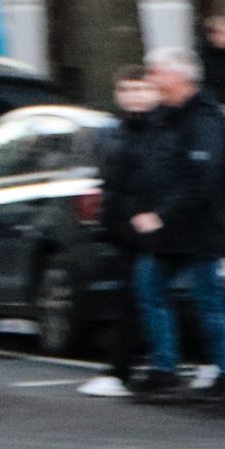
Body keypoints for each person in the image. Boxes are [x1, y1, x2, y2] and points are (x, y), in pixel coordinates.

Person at [129, 47, 225, 402]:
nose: (150, 79)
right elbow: (150, 165)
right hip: (169, 229)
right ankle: (165, 368)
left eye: (156, 72)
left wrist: (161, 213)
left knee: (208, 299)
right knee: (149, 288)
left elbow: (200, 178)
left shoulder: (205, 120)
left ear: (179, 78)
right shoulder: (164, 116)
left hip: (200, 227)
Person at [76, 65, 162, 398]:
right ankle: (131, 367)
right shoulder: (119, 131)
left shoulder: (157, 131)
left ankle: (123, 369)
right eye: (127, 89)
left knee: (141, 297)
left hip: (148, 227)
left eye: (140, 89)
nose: (133, 96)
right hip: (125, 229)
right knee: (136, 297)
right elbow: (112, 182)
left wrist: (152, 215)